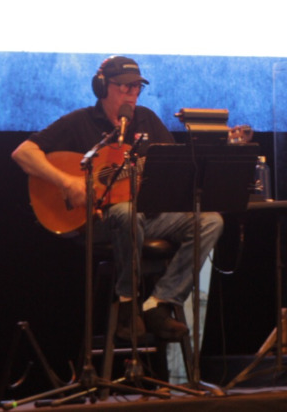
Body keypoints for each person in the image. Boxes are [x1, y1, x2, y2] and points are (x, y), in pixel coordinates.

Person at [11, 56, 225, 342]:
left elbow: (173, 168)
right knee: (126, 212)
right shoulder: (80, 122)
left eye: (137, 87)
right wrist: (67, 180)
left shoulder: (147, 119)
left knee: (210, 221)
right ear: (102, 88)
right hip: (99, 221)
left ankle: (158, 303)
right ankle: (127, 303)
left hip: (147, 216)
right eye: (125, 87)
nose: (132, 94)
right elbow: (23, 153)